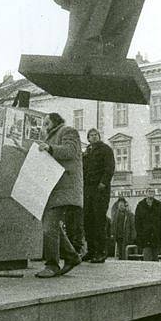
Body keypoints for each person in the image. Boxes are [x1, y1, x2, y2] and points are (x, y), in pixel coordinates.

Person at [36, 113, 83, 278]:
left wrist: (49, 148)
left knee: (49, 227)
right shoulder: (49, 137)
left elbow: (71, 151)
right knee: (51, 226)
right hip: (53, 187)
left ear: (55, 121)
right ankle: (71, 256)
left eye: (47, 122)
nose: (44, 126)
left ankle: (52, 265)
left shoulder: (68, 131)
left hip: (64, 187)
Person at [82, 128, 115, 263]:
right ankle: (91, 251)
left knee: (99, 220)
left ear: (99, 136)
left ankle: (101, 252)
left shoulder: (105, 149)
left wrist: (103, 182)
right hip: (87, 189)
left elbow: (110, 167)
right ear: (88, 138)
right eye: (91, 135)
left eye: (96, 135)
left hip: (100, 189)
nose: (94, 137)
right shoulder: (87, 152)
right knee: (88, 220)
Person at [135, 188, 161, 261]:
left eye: (152, 191)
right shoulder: (140, 205)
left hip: (156, 236)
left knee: (156, 258)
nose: (151, 193)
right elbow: (137, 221)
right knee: (147, 257)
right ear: (146, 193)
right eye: (149, 191)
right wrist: (140, 233)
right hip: (145, 237)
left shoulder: (159, 205)